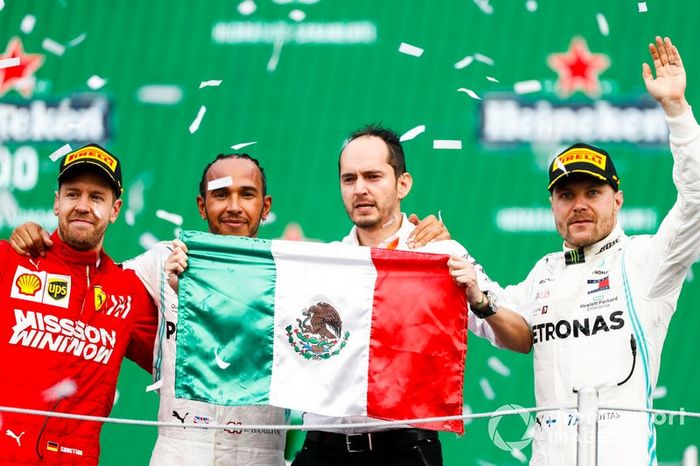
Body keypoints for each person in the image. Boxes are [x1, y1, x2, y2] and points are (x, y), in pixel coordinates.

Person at [11, 152, 447, 465]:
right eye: (220, 195)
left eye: (247, 194)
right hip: (181, 452)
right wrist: (37, 244)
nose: (234, 206)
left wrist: (411, 237)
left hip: (262, 453)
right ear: (202, 205)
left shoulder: (302, 270)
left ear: (266, 205)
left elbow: (373, 304)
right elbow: (86, 278)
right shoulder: (160, 262)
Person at [502, 36, 700, 465]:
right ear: (552, 205)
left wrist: (677, 112)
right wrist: (442, 252)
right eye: (566, 195)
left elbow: (697, 200)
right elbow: (485, 308)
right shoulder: (544, 273)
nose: (580, 206)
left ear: (618, 199)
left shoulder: (646, 261)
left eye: (593, 191)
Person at [290, 125, 533, 466]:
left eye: (373, 176)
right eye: (349, 179)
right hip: (322, 450)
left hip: (405, 450)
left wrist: (479, 299)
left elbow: (521, 337)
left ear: (403, 183)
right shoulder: (325, 262)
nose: (360, 189)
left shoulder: (441, 254)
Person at [0, 144, 157, 465]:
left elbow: (182, 365)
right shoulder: (9, 260)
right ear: (56, 202)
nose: (83, 206)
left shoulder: (129, 292)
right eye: (73, 194)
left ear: (115, 210)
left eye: (97, 197)